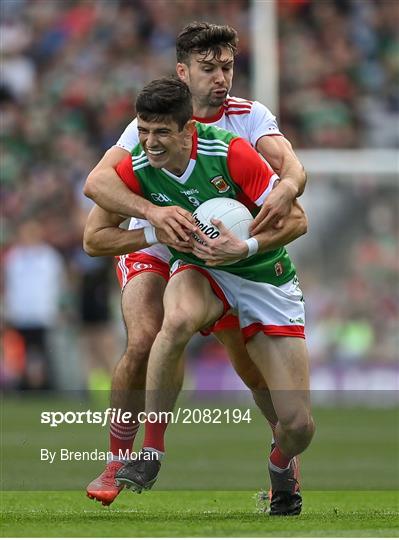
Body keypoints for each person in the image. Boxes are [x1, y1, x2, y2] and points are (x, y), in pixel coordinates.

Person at [84, 23, 307, 513]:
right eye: (208, 69)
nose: (221, 78)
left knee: (250, 370)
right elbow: (99, 182)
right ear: (183, 72)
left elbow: (291, 171)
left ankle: (284, 457)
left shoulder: (249, 119)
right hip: (160, 234)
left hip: (220, 243)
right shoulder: (152, 127)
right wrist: (153, 218)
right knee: (146, 336)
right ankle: (119, 459)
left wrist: (285, 192)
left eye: (226, 67)